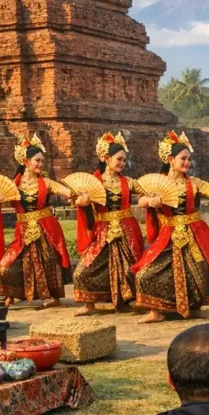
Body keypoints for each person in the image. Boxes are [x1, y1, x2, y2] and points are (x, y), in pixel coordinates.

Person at [133, 132, 209, 323]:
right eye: (183, 158)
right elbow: (140, 200)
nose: (187, 163)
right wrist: (151, 201)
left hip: (193, 234)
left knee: (199, 271)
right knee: (146, 272)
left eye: (189, 159)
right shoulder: (157, 182)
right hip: (168, 235)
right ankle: (156, 311)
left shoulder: (194, 183)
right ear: (170, 160)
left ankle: (195, 308)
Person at [0, 134, 74, 308]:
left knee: (50, 261)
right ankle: (12, 293)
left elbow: (64, 190)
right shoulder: (13, 185)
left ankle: (55, 298)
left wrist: (75, 194)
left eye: (42, 161)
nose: (41, 164)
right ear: (26, 162)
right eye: (37, 161)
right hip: (24, 232)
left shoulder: (46, 182)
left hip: (46, 230)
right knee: (9, 263)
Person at [72, 132, 147, 316]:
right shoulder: (93, 182)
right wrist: (82, 202)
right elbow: (77, 199)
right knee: (84, 270)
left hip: (127, 232)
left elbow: (147, 190)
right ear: (106, 158)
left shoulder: (128, 182)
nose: (122, 163)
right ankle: (89, 305)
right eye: (119, 159)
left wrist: (152, 198)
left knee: (131, 269)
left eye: (124, 160)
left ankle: (131, 300)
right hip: (103, 232)